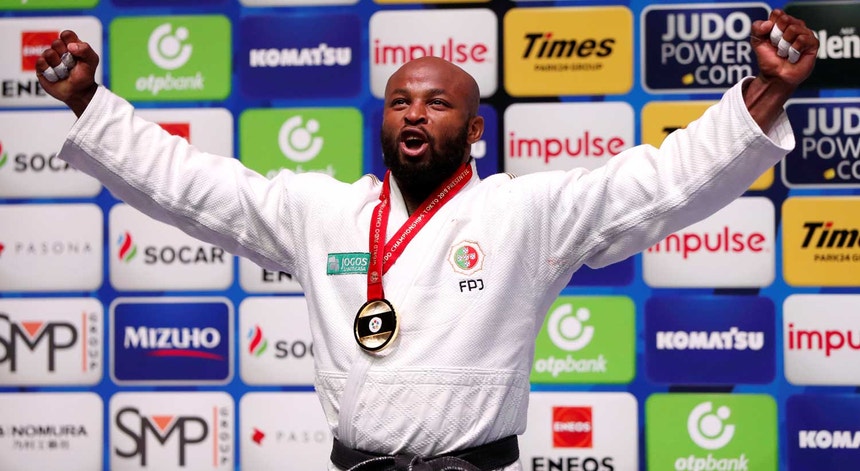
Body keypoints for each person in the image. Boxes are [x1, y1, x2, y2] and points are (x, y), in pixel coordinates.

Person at [37, 9, 817, 471]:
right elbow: (193, 186)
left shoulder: (526, 212)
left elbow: (657, 182)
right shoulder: (322, 211)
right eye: (401, 100)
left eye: (437, 103)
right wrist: (89, 105)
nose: (415, 113)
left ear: (475, 129)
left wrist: (766, 92)